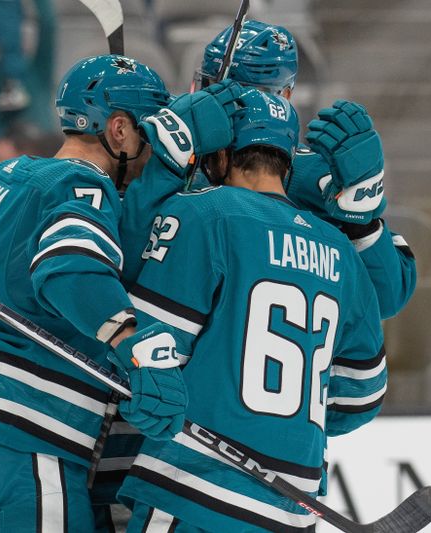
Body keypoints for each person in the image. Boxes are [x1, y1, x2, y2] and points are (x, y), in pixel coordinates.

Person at [0, 54, 191, 532]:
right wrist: (133, 342)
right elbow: (71, 269)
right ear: (119, 130)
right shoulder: (85, 185)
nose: (149, 152)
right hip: (20, 437)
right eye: (145, 134)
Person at [117, 88, 387, 531]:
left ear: (221, 155)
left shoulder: (204, 213)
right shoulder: (340, 251)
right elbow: (361, 396)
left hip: (195, 492)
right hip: (290, 507)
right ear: (288, 162)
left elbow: (150, 347)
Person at [197, 20, 416, 320]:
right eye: (216, 89)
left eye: (245, 94)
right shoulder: (181, 153)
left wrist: (361, 223)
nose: (227, 106)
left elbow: (386, 299)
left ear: (284, 98)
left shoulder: (319, 176)